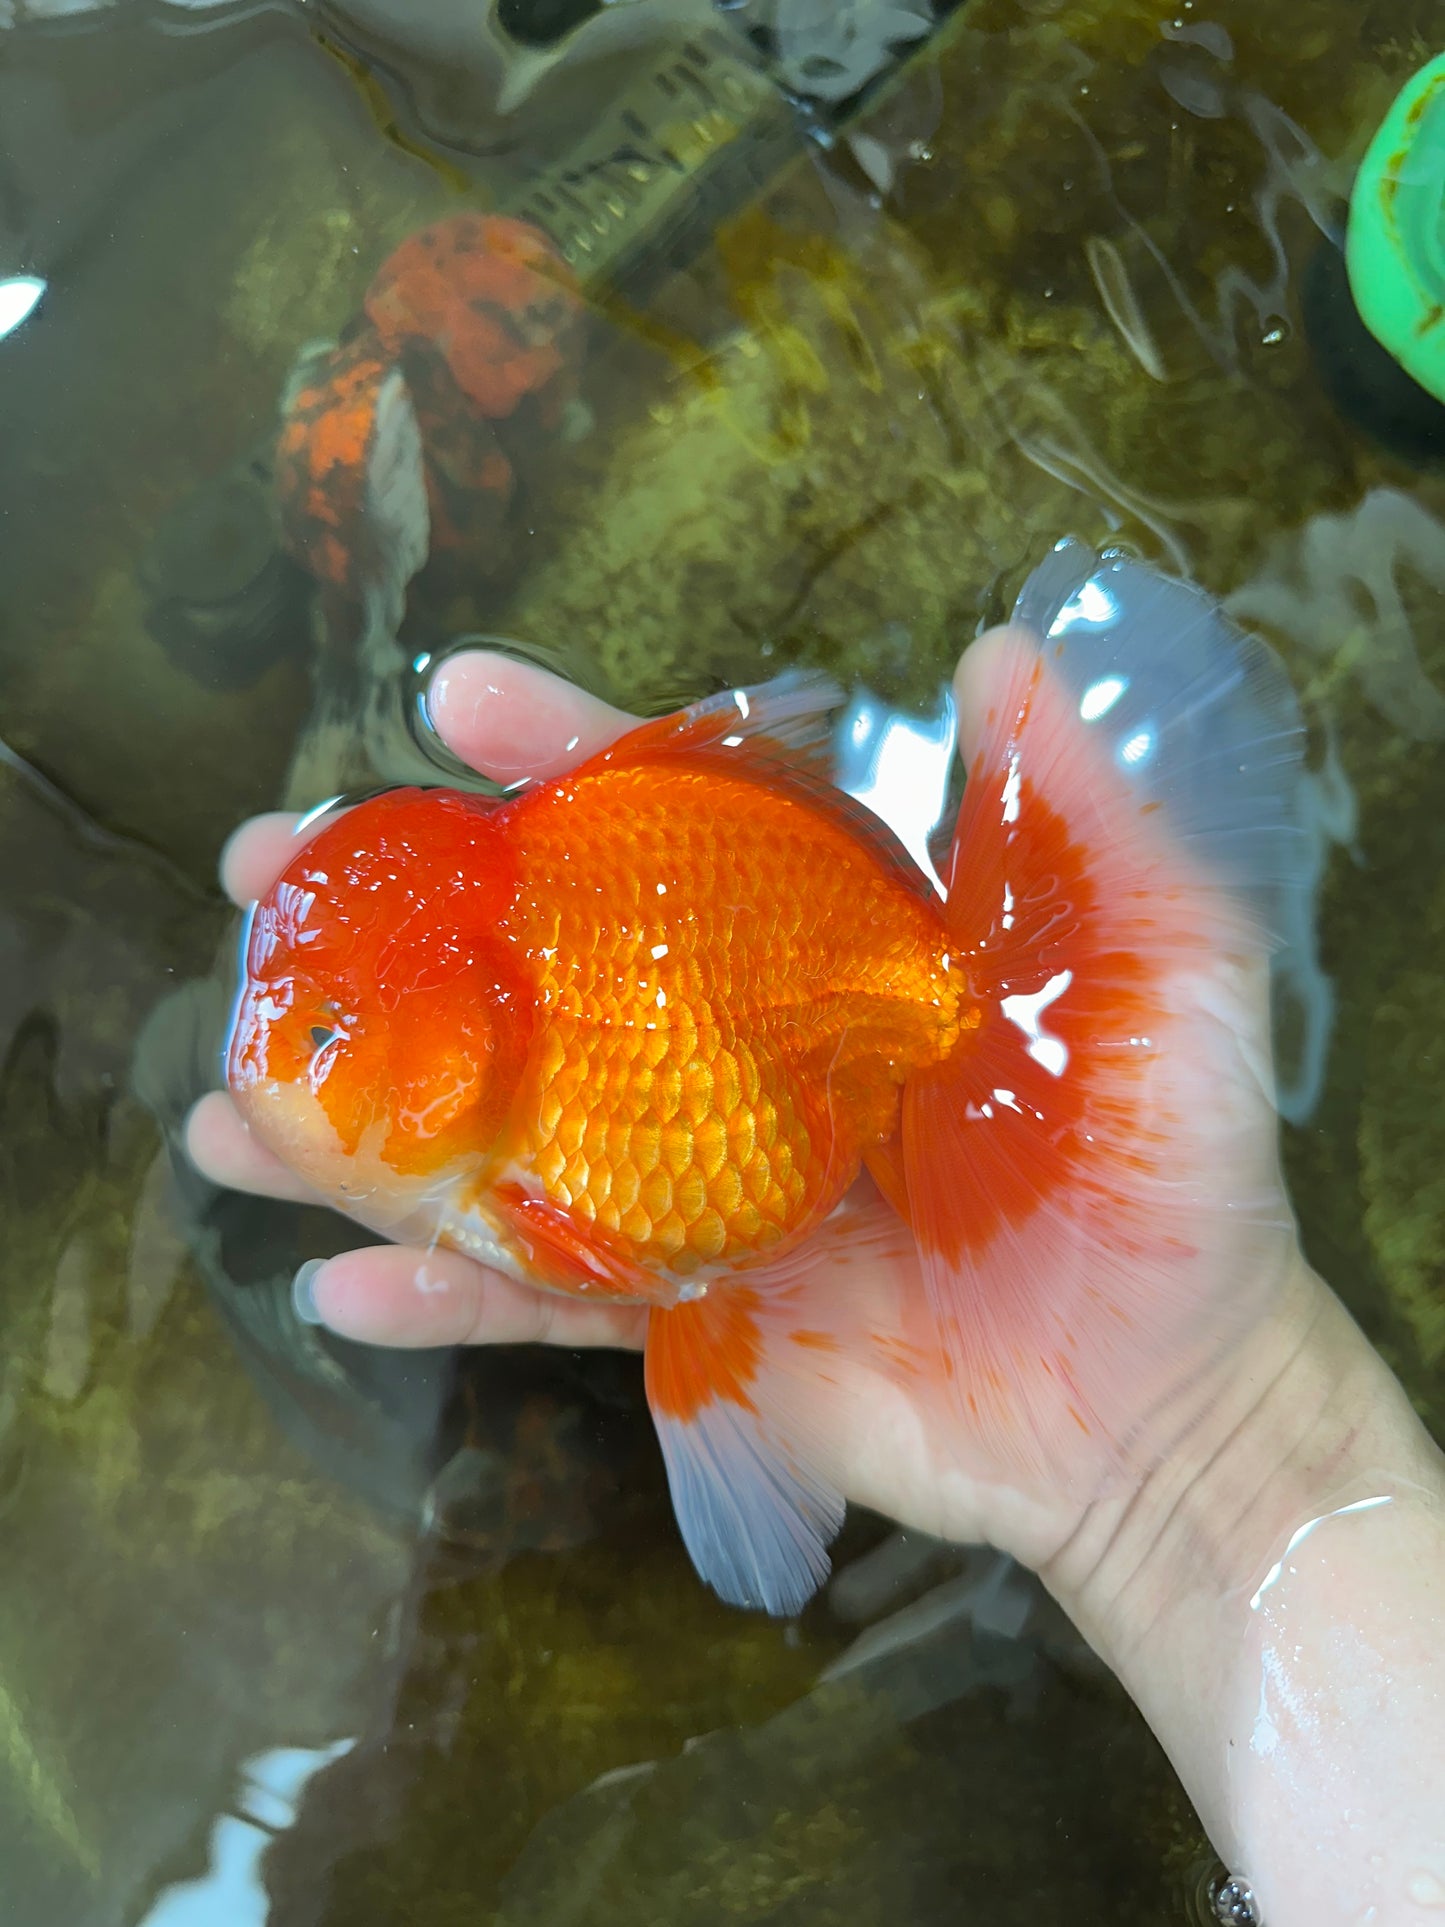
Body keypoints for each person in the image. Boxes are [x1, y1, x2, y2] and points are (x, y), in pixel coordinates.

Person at [186, 645, 1445, 1927]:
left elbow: (625, 1253)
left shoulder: (528, 1143)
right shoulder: (496, 1086)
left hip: (835, 1003)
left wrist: (1210, 1440)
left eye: (323, 1038)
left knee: (740, 1237)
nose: (276, 1066)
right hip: (789, 1068)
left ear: (468, 1040)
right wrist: (1228, 1474)